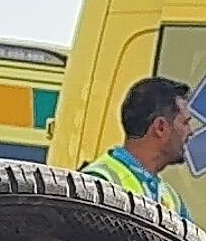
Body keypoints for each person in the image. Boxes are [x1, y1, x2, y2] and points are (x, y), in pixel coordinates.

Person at [82, 76, 196, 219]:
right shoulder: (99, 182)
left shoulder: (172, 200)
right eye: (185, 123)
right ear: (160, 127)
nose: (190, 131)